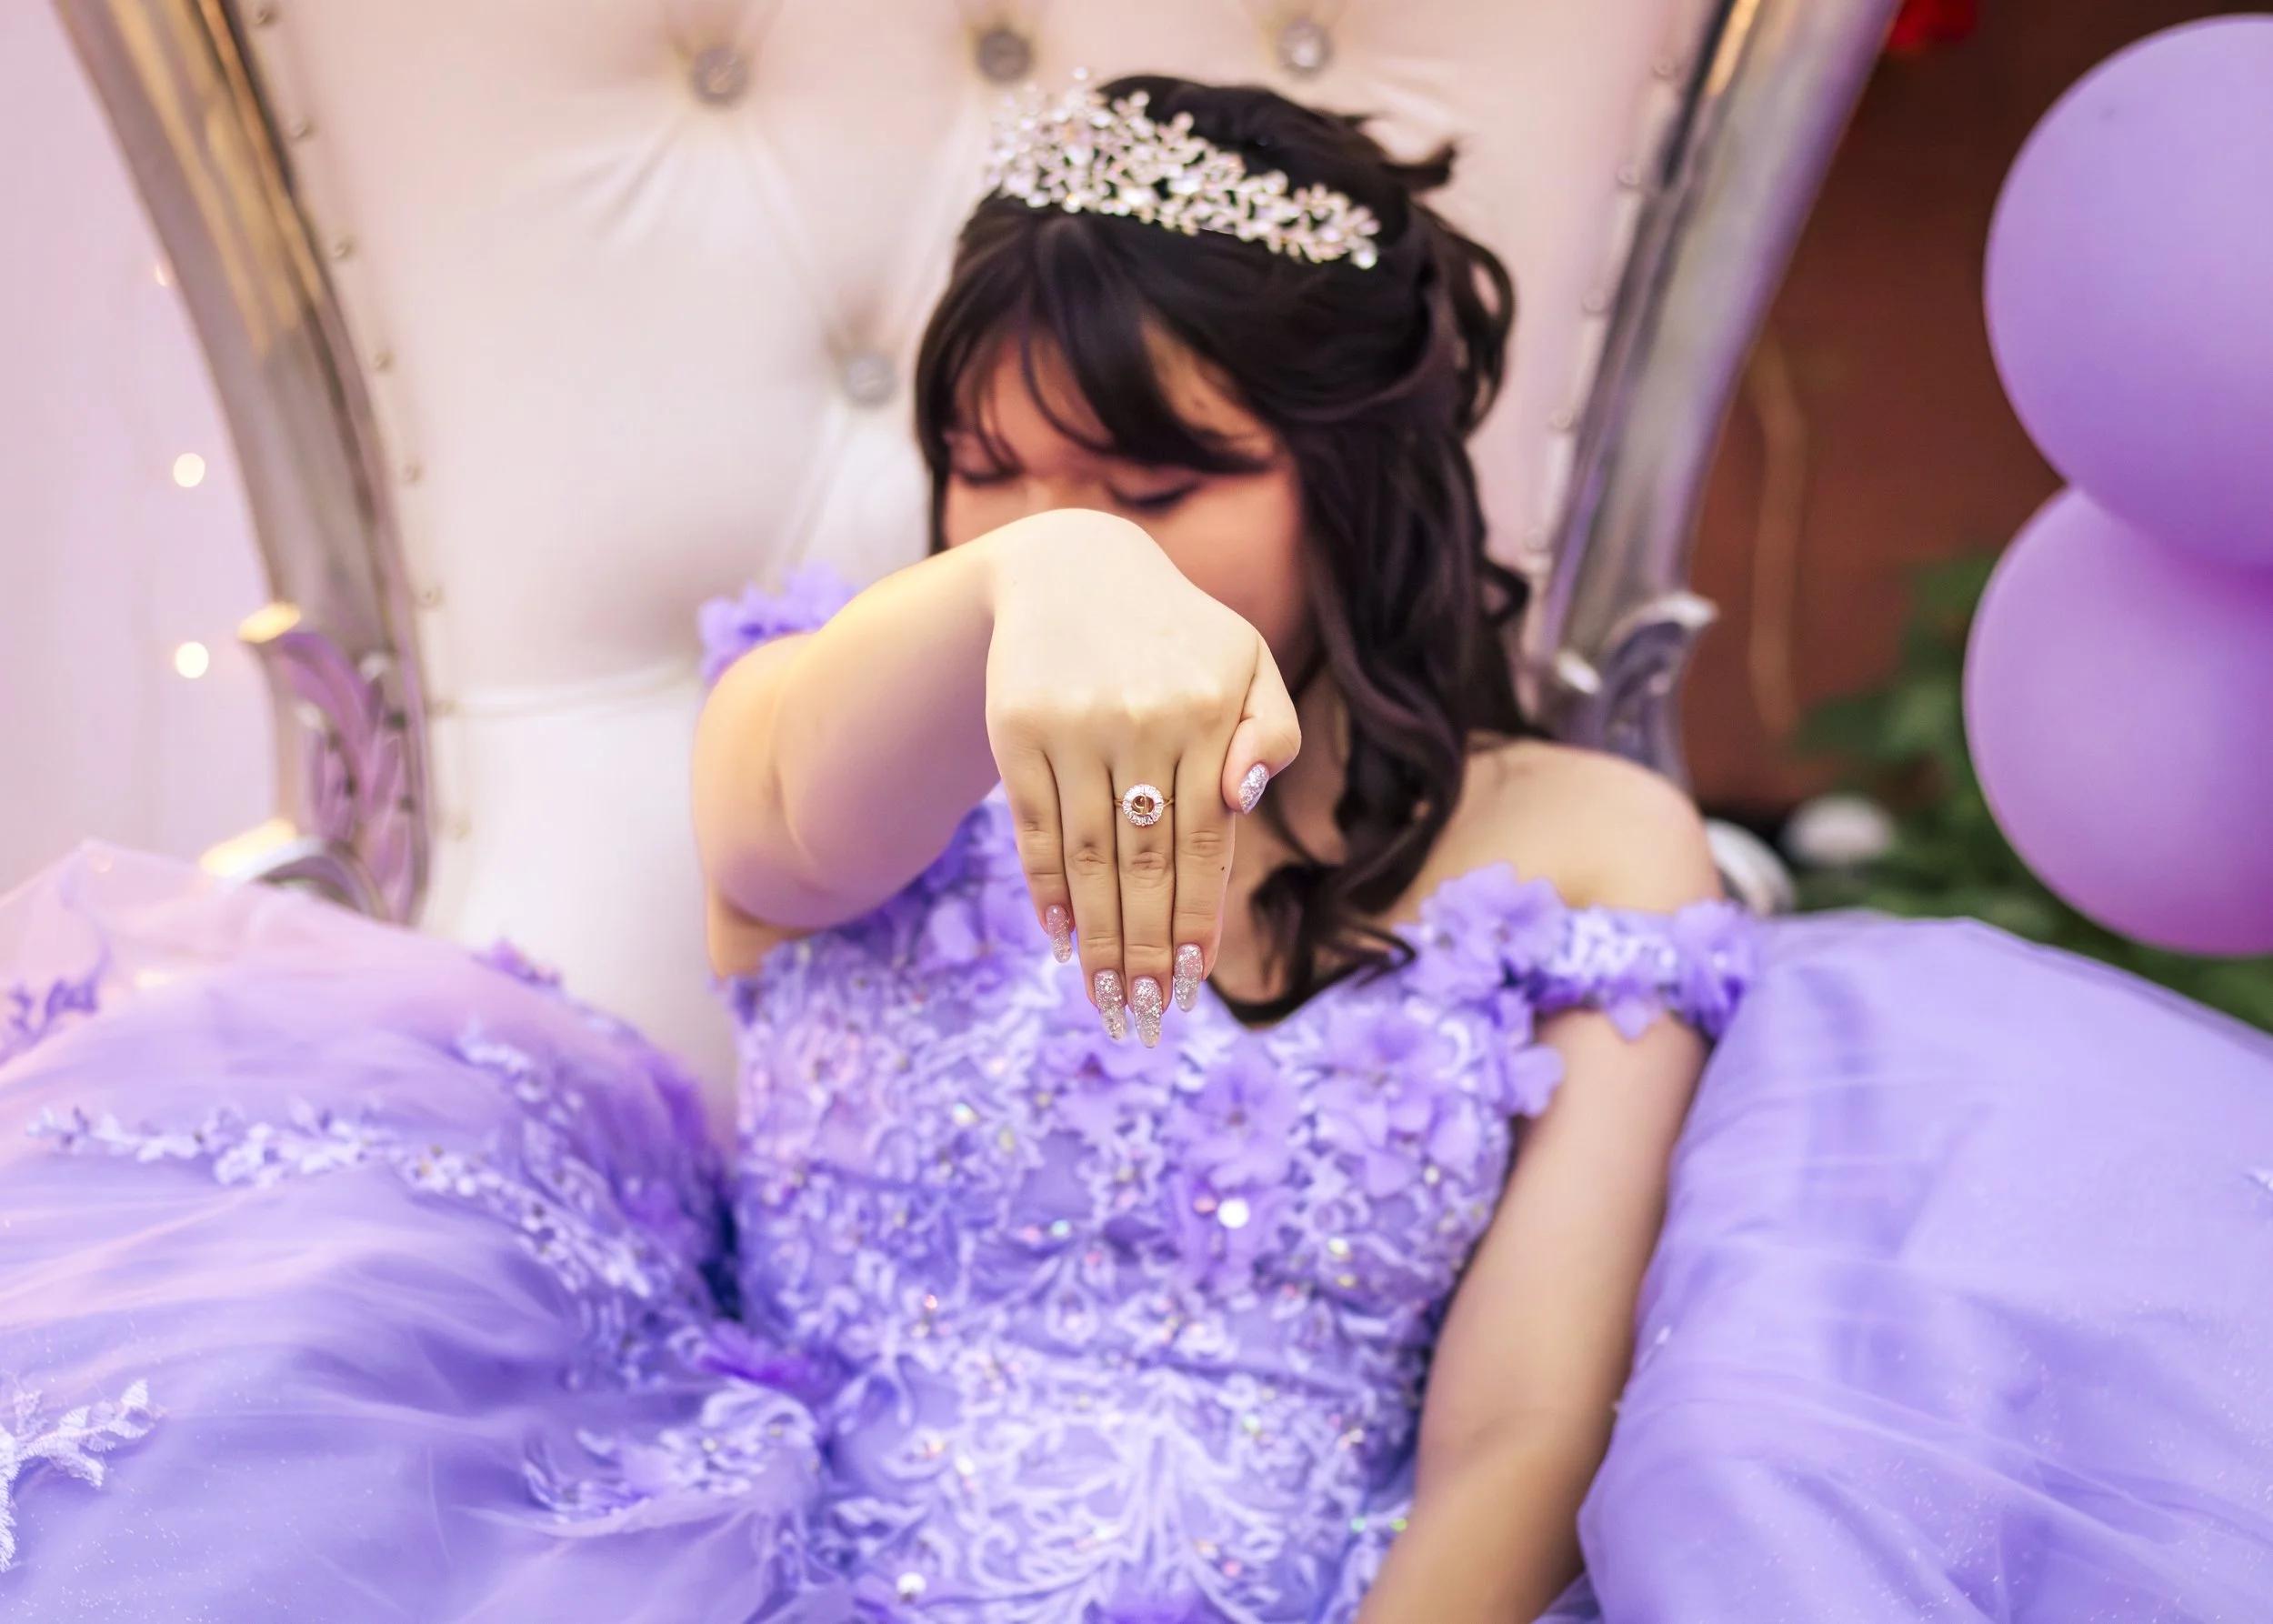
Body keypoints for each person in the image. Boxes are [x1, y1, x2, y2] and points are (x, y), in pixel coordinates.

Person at [2, 74, 2269, 1624]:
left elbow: (1518, 1421)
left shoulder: (1584, 840)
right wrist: (1036, 592)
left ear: (1349, 484)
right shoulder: (847, 701)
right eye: (987, 467)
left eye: (1158, 479)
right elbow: (788, 816)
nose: (1044, 524)